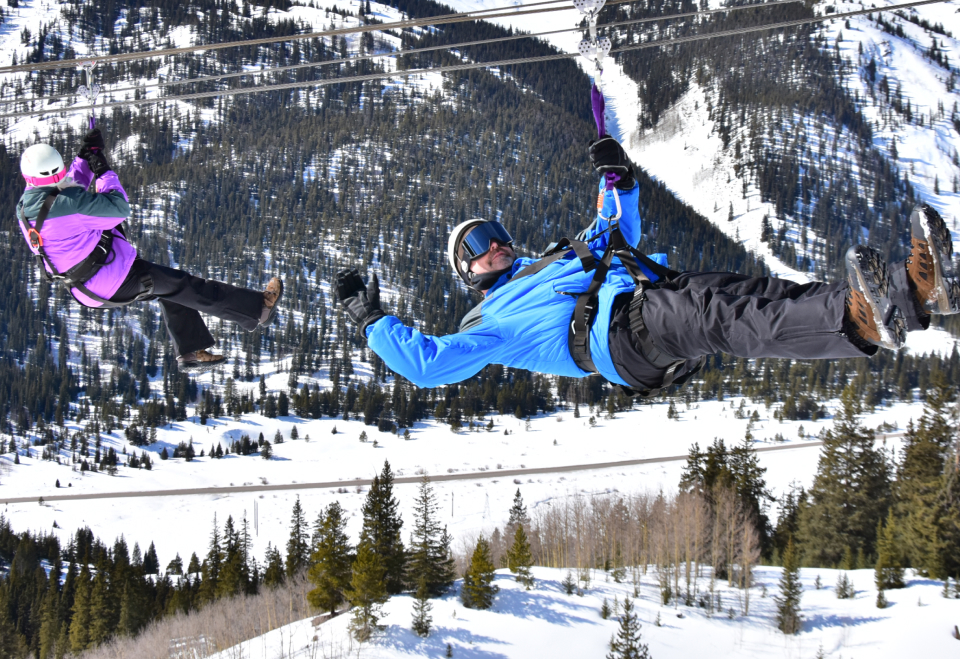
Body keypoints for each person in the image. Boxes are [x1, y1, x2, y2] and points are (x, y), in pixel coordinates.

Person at [336, 134, 959, 396]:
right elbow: (426, 366)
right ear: (465, 274)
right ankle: (864, 320)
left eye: (493, 234)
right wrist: (372, 323)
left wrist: (618, 177)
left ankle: (908, 295)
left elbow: (614, 230)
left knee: (751, 293)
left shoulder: (552, 260)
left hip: (646, 298)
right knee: (722, 314)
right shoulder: (486, 323)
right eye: (475, 249)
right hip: (618, 338)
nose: (493, 247)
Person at [17, 128, 284, 370]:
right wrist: (103, 171)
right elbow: (118, 208)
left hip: (84, 288)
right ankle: (259, 309)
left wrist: (85, 158)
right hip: (114, 279)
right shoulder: (68, 205)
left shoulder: (26, 207)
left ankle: (191, 351)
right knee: (188, 286)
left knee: (171, 288)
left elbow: (60, 190)